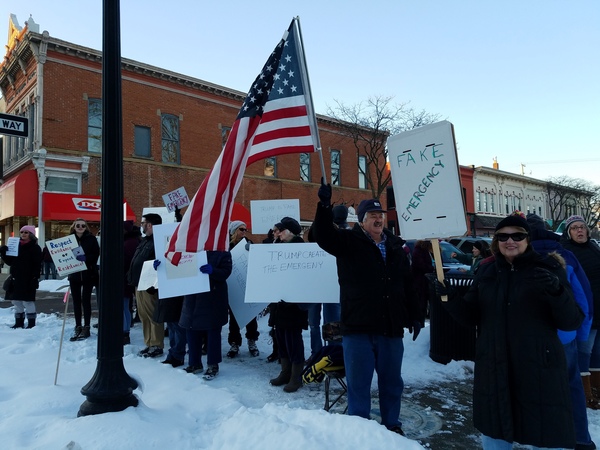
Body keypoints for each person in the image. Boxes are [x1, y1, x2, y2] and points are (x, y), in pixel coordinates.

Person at [436, 212, 584, 449]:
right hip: (495, 369)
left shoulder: (548, 268)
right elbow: (470, 316)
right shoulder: (487, 271)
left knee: (547, 434)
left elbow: (571, 321)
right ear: (496, 242)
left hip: (539, 371)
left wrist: (556, 292)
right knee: (495, 432)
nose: (510, 241)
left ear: (527, 239)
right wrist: (448, 298)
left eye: (517, 235)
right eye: (503, 237)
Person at [313, 180, 423, 436]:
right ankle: (359, 429)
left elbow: (408, 284)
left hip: (390, 328)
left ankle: (392, 424)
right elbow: (322, 235)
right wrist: (324, 206)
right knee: (359, 384)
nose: (378, 219)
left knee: (392, 383)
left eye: (380, 215)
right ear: (361, 220)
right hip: (358, 330)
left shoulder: (396, 246)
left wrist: (416, 315)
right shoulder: (348, 242)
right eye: (372, 215)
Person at [526, 213, 596, 450]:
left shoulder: (512, 256)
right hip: (566, 335)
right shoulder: (566, 256)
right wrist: (581, 333)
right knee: (571, 386)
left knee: (534, 390)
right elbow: (583, 298)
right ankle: (580, 438)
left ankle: (541, 438)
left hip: (528, 338)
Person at [561, 215, 600, 412]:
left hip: (599, 309)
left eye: (582, 227)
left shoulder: (594, 247)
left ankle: (596, 389)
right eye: (575, 228)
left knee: (598, 353)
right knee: (585, 351)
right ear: (569, 232)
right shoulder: (567, 252)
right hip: (585, 312)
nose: (579, 231)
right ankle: (585, 395)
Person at [268, 216, 309, 393]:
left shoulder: (300, 247)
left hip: (294, 304)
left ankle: (295, 376)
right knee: (281, 337)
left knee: (293, 340)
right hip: (279, 302)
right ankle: (285, 372)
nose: (277, 233)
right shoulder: (276, 248)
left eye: (280, 230)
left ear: (290, 232)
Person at [179, 251, 232, 380]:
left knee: (212, 332)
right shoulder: (189, 248)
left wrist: (213, 271)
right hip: (192, 296)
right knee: (191, 330)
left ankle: (213, 364)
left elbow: (226, 272)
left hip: (213, 298)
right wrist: (163, 267)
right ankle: (194, 363)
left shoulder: (221, 250)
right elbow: (176, 266)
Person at [127, 213, 164, 358]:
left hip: (150, 285)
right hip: (139, 283)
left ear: (149, 225)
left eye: (143, 223)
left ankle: (156, 344)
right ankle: (149, 343)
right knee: (143, 315)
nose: (141, 225)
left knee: (152, 315)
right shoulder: (145, 241)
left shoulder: (158, 241)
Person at [226, 220, 260, 358]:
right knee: (234, 316)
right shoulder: (226, 246)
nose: (244, 232)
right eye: (241, 229)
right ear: (234, 231)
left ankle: (252, 341)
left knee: (250, 315)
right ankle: (234, 343)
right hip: (233, 285)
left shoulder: (249, 244)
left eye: (245, 229)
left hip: (247, 284)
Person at [0, 225, 42, 329]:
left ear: (31, 234)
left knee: (28, 301)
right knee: (16, 301)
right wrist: (4, 253)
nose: (23, 234)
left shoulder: (35, 247)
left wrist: (35, 277)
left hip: (28, 278)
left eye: (26, 232)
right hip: (15, 278)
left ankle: (31, 323)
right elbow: (10, 262)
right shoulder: (15, 246)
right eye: (22, 232)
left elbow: (37, 264)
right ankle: (19, 322)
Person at [68, 219, 100, 341]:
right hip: (74, 274)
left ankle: (86, 326)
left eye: (83, 225)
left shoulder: (91, 239)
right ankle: (78, 325)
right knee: (76, 301)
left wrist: (86, 258)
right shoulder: (69, 240)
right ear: (74, 227)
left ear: (86, 227)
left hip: (88, 274)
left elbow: (96, 253)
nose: (80, 227)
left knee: (85, 300)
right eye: (78, 225)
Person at [123, 220, 141, 345]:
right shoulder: (134, 241)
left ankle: (124, 332)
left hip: (124, 278)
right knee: (125, 307)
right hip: (127, 278)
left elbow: (125, 261)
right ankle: (125, 330)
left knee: (123, 307)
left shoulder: (129, 243)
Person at [411, 239, 435, 319]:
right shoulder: (418, 251)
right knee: (421, 302)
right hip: (420, 281)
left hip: (430, 280)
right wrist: (431, 268)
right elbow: (419, 265)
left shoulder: (431, 251)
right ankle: (420, 319)